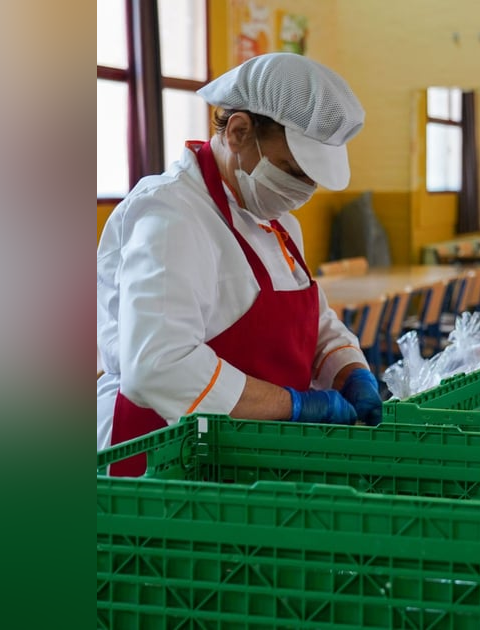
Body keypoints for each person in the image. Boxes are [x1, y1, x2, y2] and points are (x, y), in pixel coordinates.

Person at [97, 53, 382, 475]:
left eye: (311, 180)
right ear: (239, 131)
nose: (301, 191)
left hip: (240, 459)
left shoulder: (276, 219)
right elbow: (158, 366)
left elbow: (315, 322)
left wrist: (349, 370)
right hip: (162, 465)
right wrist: (296, 405)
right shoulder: (171, 216)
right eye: (291, 169)